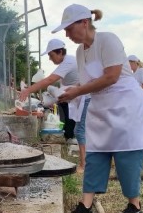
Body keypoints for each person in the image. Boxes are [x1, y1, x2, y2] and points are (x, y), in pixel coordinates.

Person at [52, 3, 143, 213]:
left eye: (69, 28)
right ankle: (86, 203)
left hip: (124, 104)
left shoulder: (108, 40)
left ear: (84, 22)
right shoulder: (81, 52)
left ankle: (134, 205)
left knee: (126, 155)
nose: (67, 34)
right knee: (96, 154)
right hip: (101, 106)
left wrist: (78, 91)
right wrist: (73, 90)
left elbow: (111, 76)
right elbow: (86, 80)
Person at [18, 39, 89, 168]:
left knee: (80, 130)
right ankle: (85, 162)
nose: (50, 59)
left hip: (86, 98)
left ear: (60, 52)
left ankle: (84, 165)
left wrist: (28, 90)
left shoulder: (68, 62)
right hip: (79, 97)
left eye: (51, 55)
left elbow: (49, 80)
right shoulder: (68, 61)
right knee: (80, 130)